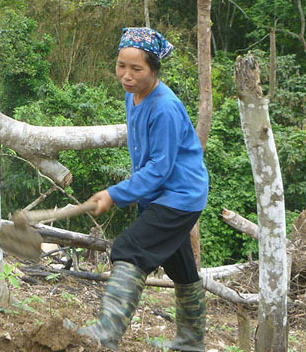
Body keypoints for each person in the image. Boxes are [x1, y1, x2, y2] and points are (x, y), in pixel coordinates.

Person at [73, 27, 209, 351]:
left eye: (137, 69)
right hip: (162, 195)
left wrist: (115, 193)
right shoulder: (132, 96)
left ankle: (104, 336)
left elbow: (160, 169)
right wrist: (134, 194)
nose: (127, 75)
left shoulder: (165, 108)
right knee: (182, 269)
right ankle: (191, 342)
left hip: (179, 197)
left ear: (154, 69)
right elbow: (144, 157)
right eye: (122, 66)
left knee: (128, 249)